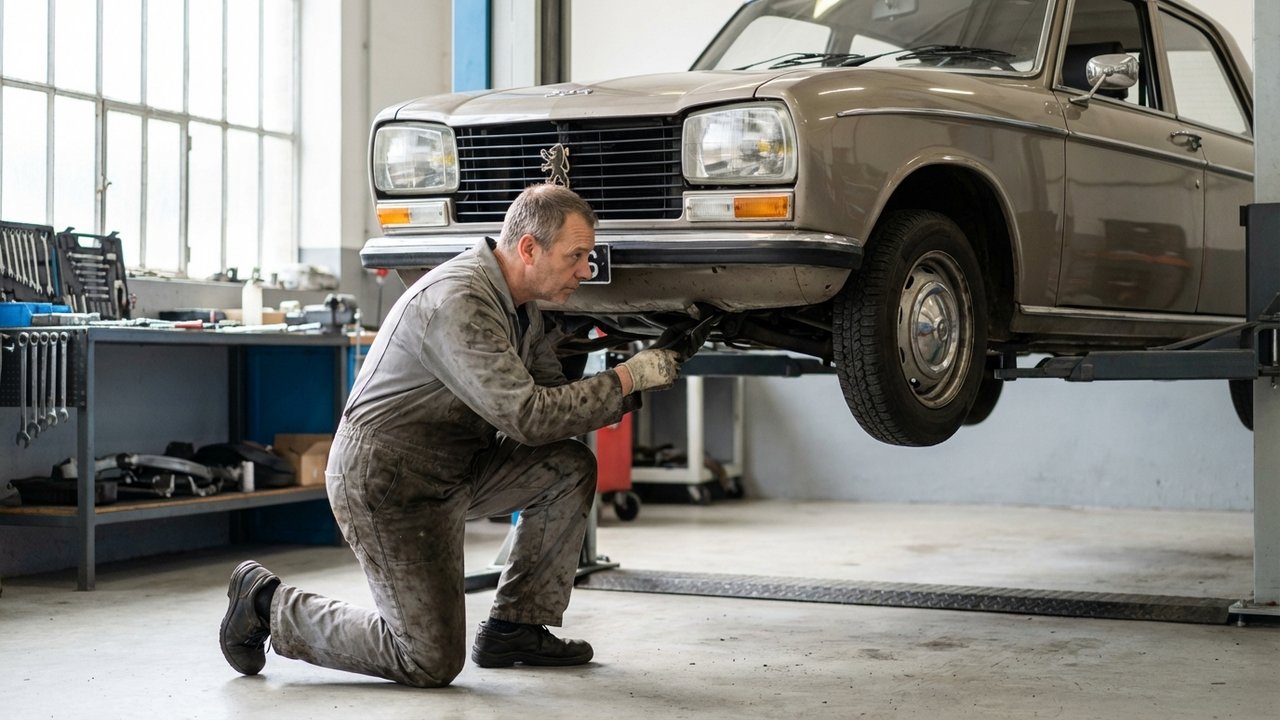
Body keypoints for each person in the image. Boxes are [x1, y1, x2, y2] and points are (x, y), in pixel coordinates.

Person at [218, 184, 681, 687]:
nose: (586, 271)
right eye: (576, 256)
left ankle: (516, 627)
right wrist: (626, 379)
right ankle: (266, 604)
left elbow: (552, 397)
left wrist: (634, 372)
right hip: (390, 483)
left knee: (565, 467)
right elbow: (528, 417)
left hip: (457, 466)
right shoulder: (459, 302)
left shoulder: (521, 306)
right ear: (529, 249)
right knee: (428, 659)